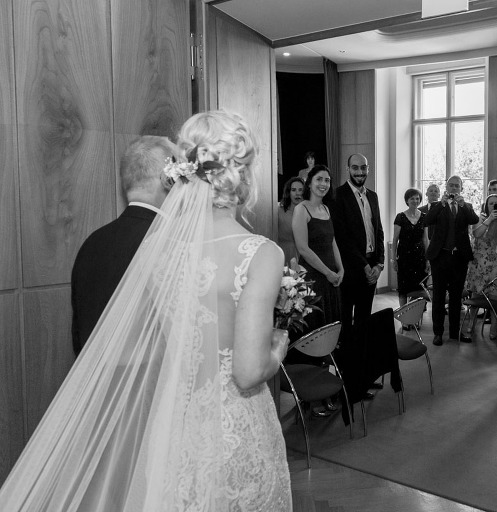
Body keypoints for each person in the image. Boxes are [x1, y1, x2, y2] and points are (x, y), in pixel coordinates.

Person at [0, 111, 293, 510]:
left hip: (175, 427)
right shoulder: (261, 253)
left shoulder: (160, 254)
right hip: (236, 428)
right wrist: (277, 349)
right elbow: (246, 372)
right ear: (243, 174)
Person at [71, 136, 179, 356]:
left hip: (95, 384)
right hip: (152, 385)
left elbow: (80, 331)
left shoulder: (92, 243)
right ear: (167, 179)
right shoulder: (172, 244)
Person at [331, 153, 385, 348]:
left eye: (363, 168)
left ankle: (362, 364)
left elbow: (379, 231)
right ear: (348, 169)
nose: (360, 172)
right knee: (346, 320)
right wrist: (363, 266)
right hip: (350, 267)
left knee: (364, 318)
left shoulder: (373, 196)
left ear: (368, 169)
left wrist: (379, 264)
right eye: (355, 168)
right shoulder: (338, 196)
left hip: (372, 266)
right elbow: (342, 238)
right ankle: (347, 369)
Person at [424, 175, 480, 345]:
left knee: (456, 298)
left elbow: (475, 220)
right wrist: (440, 204)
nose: (454, 188)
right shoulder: (437, 206)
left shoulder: (466, 206)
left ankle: (455, 333)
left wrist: (463, 205)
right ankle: (438, 333)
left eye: (457, 186)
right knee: (439, 297)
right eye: (451, 185)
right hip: (440, 257)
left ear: (461, 188)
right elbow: (426, 221)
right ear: (446, 188)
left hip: (459, 258)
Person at [293, 165, 344, 327]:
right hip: (312, 277)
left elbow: (332, 240)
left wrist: (340, 269)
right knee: (315, 324)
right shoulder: (301, 209)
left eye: (327, 180)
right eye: (319, 179)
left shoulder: (326, 209)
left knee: (331, 323)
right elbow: (303, 248)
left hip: (331, 276)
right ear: (309, 183)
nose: (323, 184)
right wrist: (328, 272)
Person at [464, 194, 497, 340]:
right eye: (490, 203)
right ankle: (471, 323)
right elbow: (476, 234)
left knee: (494, 298)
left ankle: (493, 327)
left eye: (496, 203)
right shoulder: (479, 218)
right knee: (476, 296)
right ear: (486, 205)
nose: (493, 206)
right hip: (479, 264)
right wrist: (490, 219)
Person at [392, 188, 429, 307]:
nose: (415, 201)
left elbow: (425, 239)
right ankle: (404, 320)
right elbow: (395, 239)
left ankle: (416, 318)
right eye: (412, 198)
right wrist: (393, 259)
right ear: (407, 200)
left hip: (420, 258)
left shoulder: (424, 216)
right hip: (404, 257)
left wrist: (428, 260)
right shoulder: (400, 217)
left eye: (417, 198)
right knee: (403, 289)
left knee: (419, 289)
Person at [276, 176, 304, 265]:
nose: (297, 193)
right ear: (289, 192)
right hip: (282, 255)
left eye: (300, 190)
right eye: (293, 190)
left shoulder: (307, 212)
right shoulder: (278, 209)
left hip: (303, 256)